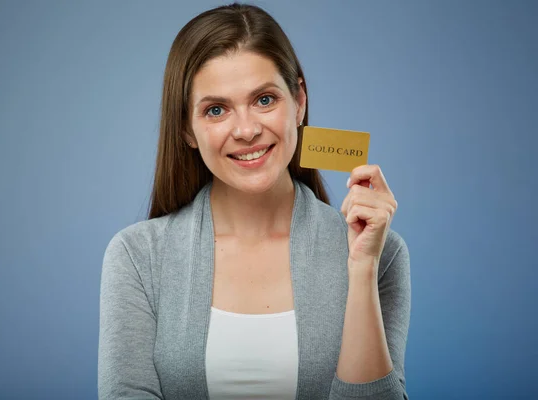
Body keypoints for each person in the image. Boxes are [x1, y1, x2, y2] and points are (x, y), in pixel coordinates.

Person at [98, 3, 411, 399]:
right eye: (216, 110)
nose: (246, 130)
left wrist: (362, 269)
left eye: (264, 100)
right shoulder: (137, 256)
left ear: (299, 102)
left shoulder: (383, 254)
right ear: (186, 130)